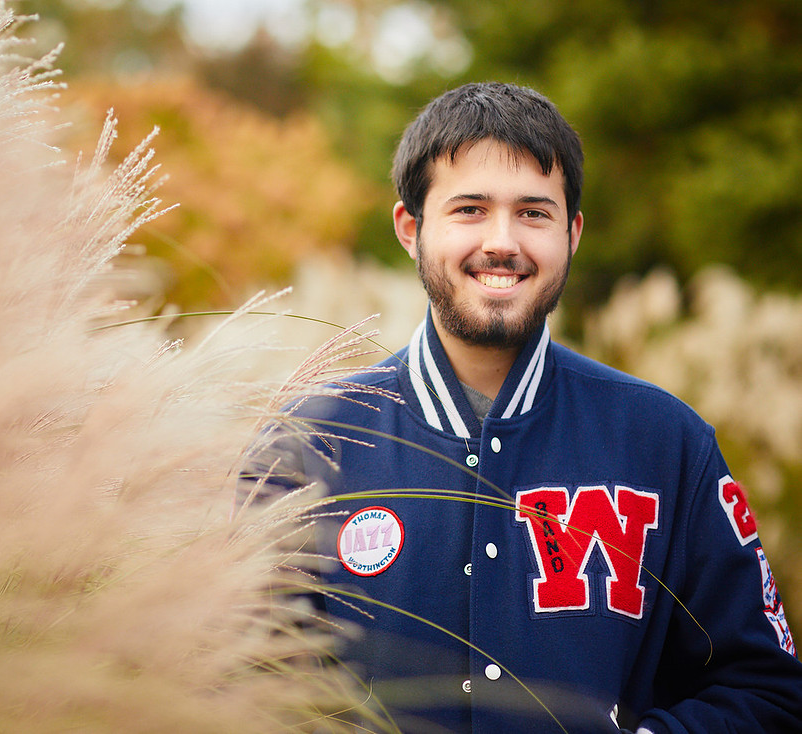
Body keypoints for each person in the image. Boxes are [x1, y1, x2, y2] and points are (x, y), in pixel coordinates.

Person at [257, 82, 802, 733]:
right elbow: (234, 685)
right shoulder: (306, 446)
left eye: (534, 214)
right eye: (469, 209)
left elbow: (766, 687)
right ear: (411, 228)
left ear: (572, 232)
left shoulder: (667, 443)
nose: (502, 241)